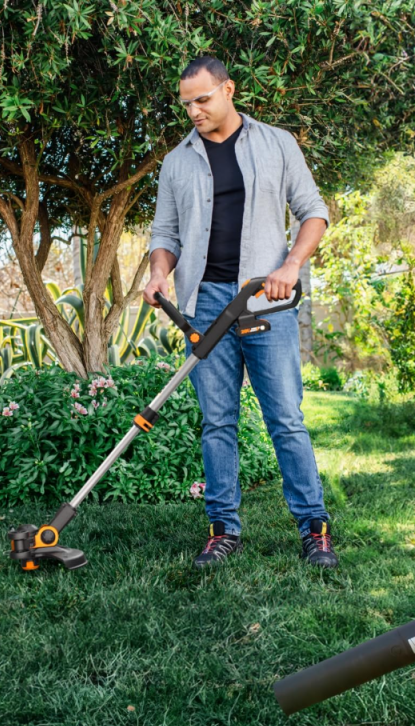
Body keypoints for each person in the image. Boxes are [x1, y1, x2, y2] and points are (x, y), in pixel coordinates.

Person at [145, 56, 338, 569]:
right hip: (205, 303)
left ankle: (314, 529)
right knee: (217, 422)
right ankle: (223, 530)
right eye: (186, 103)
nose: (194, 111)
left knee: (286, 419)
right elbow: (165, 234)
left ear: (228, 89)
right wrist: (159, 272)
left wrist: (291, 265)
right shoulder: (177, 162)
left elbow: (314, 212)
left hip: (264, 300)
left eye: (203, 99)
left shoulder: (277, 144)